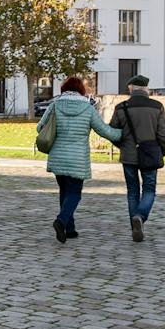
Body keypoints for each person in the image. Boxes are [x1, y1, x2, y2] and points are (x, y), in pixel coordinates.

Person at [39, 75, 121, 242]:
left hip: (58, 156)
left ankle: (70, 229)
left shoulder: (55, 105)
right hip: (77, 158)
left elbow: (40, 127)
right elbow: (104, 131)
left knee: (64, 191)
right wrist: (122, 134)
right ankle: (62, 221)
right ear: (81, 90)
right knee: (75, 193)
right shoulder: (88, 109)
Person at [109, 74, 165, 242]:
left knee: (132, 192)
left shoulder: (121, 107)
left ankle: (134, 226)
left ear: (131, 89)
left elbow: (112, 132)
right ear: (146, 89)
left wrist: (122, 146)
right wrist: (161, 150)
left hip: (128, 156)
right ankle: (140, 217)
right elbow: (164, 133)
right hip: (150, 154)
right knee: (149, 189)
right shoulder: (157, 106)